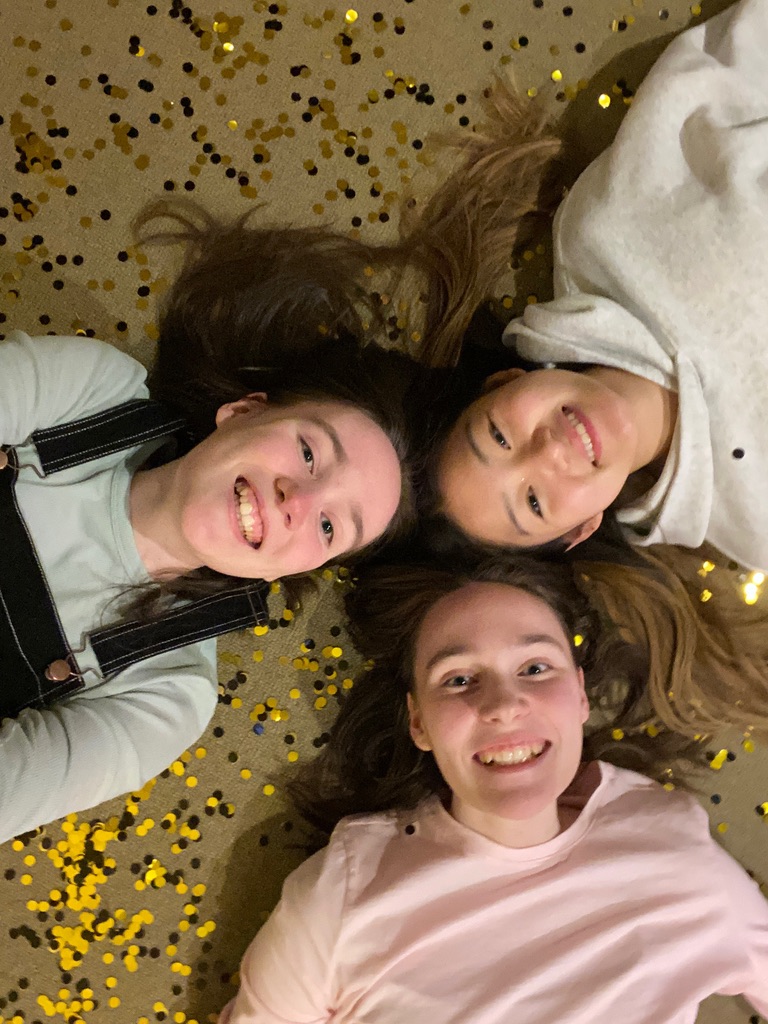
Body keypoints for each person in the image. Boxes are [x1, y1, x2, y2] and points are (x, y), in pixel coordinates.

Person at [0, 201, 435, 845]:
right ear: (241, 411)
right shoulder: (97, 394)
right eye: (310, 452)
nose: (297, 499)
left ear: (300, 569)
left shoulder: (168, 694)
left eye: (328, 529)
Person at [217, 555, 768, 1023]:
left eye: (534, 667)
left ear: (579, 694)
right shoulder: (345, 890)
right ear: (419, 723)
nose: (503, 706)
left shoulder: (673, 849)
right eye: (458, 679)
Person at [400, 0, 768, 571]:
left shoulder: (607, 229)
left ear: (504, 381)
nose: (548, 452)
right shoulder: (757, 529)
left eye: (499, 437)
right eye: (533, 500)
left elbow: (739, 58)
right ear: (580, 529)